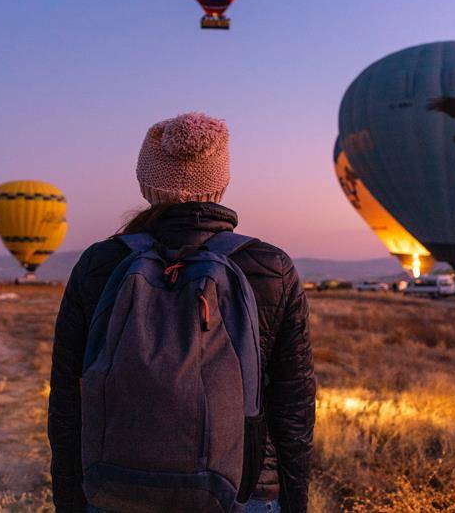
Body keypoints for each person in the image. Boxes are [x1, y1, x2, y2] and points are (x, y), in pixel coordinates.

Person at [48, 112, 316, 513]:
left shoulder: (100, 263)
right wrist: (293, 500)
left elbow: (68, 396)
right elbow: (293, 405)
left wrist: (71, 500)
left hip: (114, 489)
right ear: (221, 184)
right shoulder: (268, 266)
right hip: (242, 495)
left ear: (145, 185)